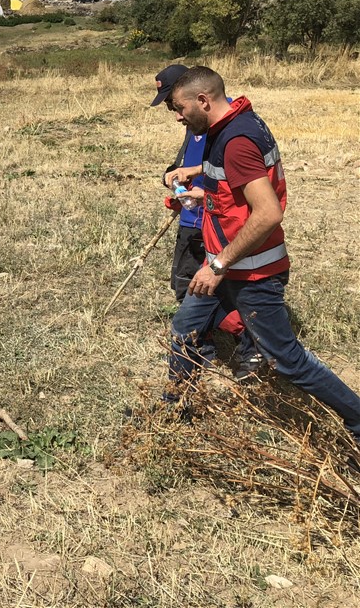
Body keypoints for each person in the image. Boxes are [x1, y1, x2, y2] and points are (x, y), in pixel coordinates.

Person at [163, 66, 360, 444]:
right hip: (225, 262)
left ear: (203, 100)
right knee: (185, 328)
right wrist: (207, 193)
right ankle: (174, 409)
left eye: (180, 108)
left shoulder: (236, 140)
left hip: (250, 270)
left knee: (287, 360)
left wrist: (219, 264)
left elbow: (268, 212)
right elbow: (242, 193)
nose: (178, 117)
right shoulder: (239, 124)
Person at [152, 64, 257, 379]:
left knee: (206, 291)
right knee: (189, 287)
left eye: (175, 105)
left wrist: (200, 192)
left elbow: (228, 181)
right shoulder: (195, 127)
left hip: (212, 222)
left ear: (196, 98)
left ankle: (251, 344)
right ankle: (202, 351)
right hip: (194, 215)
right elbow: (193, 166)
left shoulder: (225, 130)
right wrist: (175, 179)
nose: (175, 114)